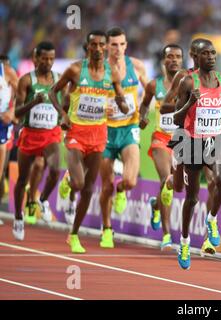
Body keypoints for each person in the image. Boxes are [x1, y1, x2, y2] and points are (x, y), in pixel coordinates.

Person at [49, 30, 129, 253]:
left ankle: (73, 235)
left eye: (101, 45)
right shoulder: (76, 69)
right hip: (76, 133)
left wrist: (122, 106)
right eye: (93, 44)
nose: (98, 48)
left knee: (88, 188)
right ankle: (68, 181)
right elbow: (52, 93)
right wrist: (62, 115)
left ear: (105, 47)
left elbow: (120, 98)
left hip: (99, 135)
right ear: (88, 47)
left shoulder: (112, 73)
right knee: (79, 183)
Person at [173, 39, 221, 269]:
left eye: (213, 53)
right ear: (196, 58)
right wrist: (189, 102)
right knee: (191, 198)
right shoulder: (188, 82)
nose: (211, 57)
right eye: (206, 54)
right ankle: (185, 241)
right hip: (192, 142)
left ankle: (211, 220)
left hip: (216, 139)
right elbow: (176, 119)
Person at [161, 38, 217, 255]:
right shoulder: (184, 78)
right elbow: (166, 106)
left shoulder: (215, 80)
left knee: (214, 181)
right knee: (179, 187)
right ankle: (164, 190)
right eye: (200, 53)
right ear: (194, 55)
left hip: (209, 138)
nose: (206, 57)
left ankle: (207, 238)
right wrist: (187, 104)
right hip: (185, 136)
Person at [97, 27, 148, 249]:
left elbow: (150, 89)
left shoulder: (136, 66)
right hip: (105, 131)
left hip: (129, 128)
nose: (118, 49)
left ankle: (122, 190)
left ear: (126, 45)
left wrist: (143, 111)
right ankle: (107, 229)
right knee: (106, 184)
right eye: (114, 44)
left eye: (121, 44)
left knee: (130, 180)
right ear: (107, 46)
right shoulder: (99, 70)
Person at [14, 41, 64, 236]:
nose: (48, 62)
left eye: (51, 59)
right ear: (36, 58)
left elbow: (64, 105)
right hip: (30, 134)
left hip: (51, 133)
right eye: (44, 58)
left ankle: (42, 200)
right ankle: (19, 217)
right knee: (22, 179)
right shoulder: (26, 80)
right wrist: (34, 102)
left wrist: (64, 117)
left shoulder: (59, 80)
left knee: (54, 171)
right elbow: (17, 112)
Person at [139, 44, 183, 250]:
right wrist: (143, 117)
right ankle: (167, 235)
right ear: (164, 61)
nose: (174, 60)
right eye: (170, 57)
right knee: (167, 181)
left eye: (178, 57)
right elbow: (144, 105)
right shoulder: (153, 85)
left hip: (183, 141)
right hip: (160, 139)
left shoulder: (189, 84)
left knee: (174, 185)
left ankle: (155, 205)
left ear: (182, 61)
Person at [0, 53, 18, 235]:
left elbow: (23, 92)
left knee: (0, 168)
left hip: (2, 125)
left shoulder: (7, 72)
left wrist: (12, 112)